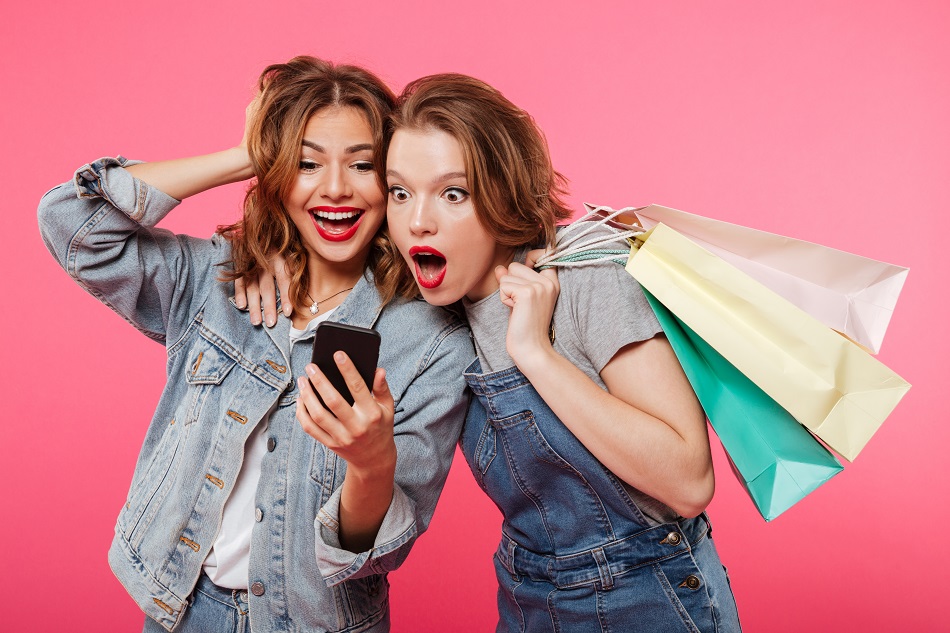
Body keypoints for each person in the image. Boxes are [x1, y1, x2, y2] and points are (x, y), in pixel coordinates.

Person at [37, 57, 473, 633]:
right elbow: (73, 224)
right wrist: (246, 155)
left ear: (393, 184)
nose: (336, 187)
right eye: (305, 162)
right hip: (182, 610)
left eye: (363, 165)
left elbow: (377, 554)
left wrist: (371, 463)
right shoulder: (215, 282)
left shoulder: (433, 342)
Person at [382, 74, 742, 631]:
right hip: (528, 599)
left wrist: (537, 355)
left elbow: (690, 481)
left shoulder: (586, 280)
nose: (416, 221)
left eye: (453, 193)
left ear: (502, 193)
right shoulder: (433, 309)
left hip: (646, 599)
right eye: (399, 192)